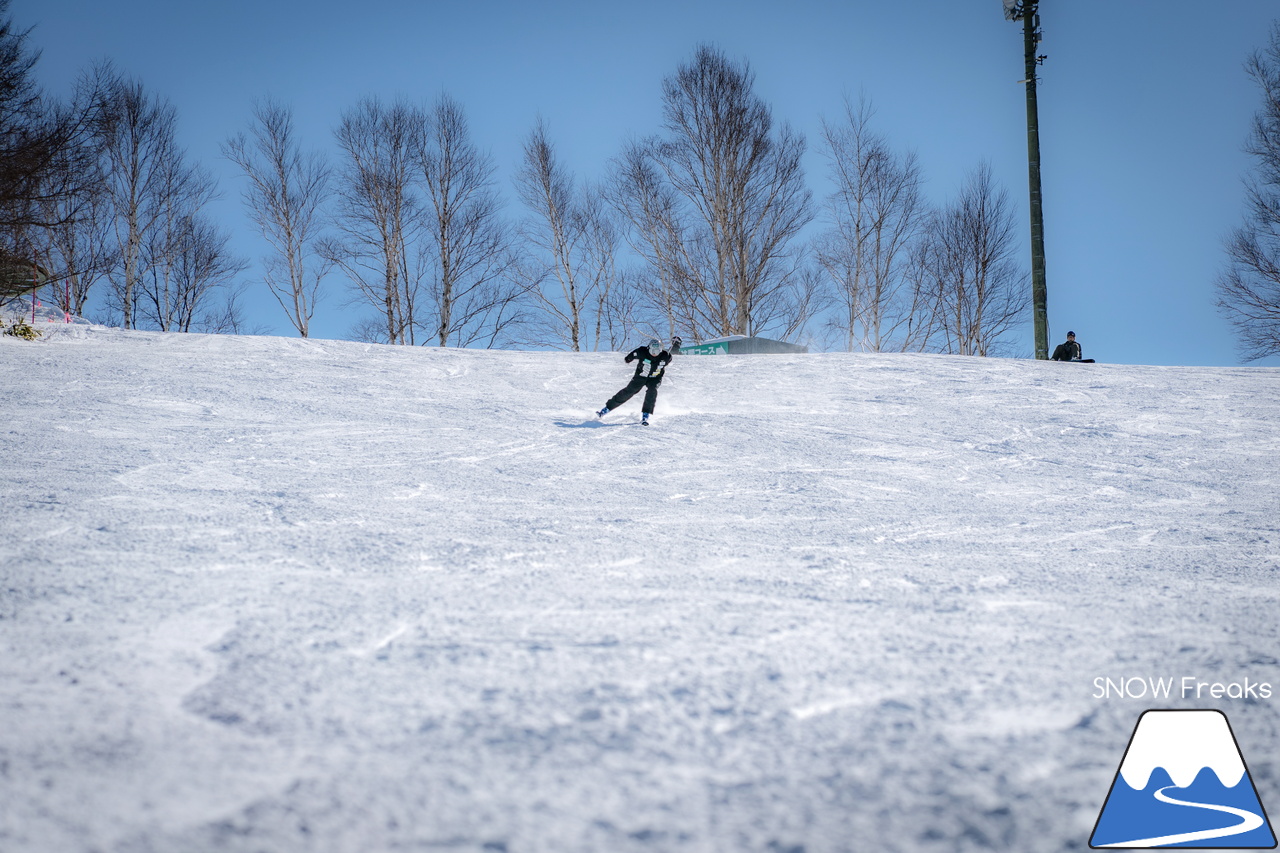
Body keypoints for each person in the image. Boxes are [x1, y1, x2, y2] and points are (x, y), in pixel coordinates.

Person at [596, 338, 672, 426]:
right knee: (628, 391)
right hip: (640, 377)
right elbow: (631, 355)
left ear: (661, 350)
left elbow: (668, 361)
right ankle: (606, 409)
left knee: (652, 391)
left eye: (657, 351)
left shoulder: (666, 356)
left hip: (655, 378)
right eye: (652, 351)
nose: (654, 353)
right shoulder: (642, 351)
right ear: (648, 348)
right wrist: (628, 359)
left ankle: (646, 414)